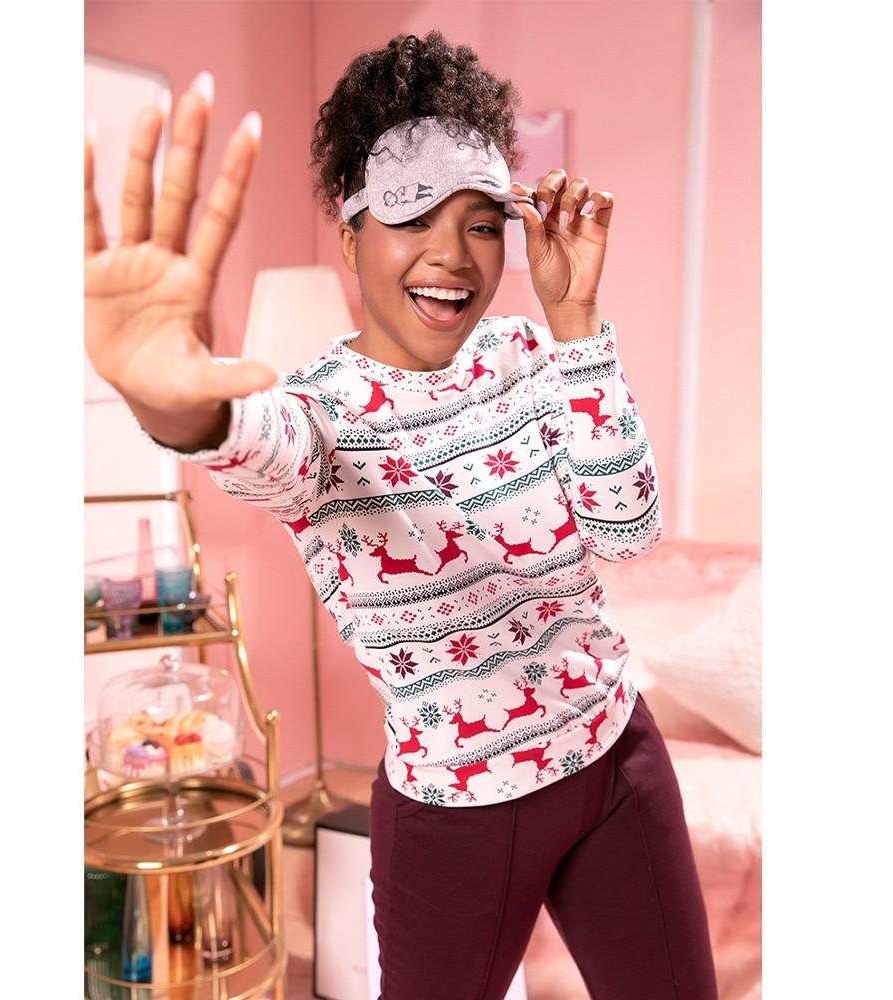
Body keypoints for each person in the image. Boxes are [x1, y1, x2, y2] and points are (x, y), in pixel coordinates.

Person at [85, 29, 718, 1000]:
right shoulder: (320, 412)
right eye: (411, 215)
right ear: (350, 236)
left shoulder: (526, 353)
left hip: (613, 760)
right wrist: (169, 402)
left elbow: (626, 527)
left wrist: (577, 323)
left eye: (480, 223)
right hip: (456, 817)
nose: (451, 255)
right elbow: (252, 439)